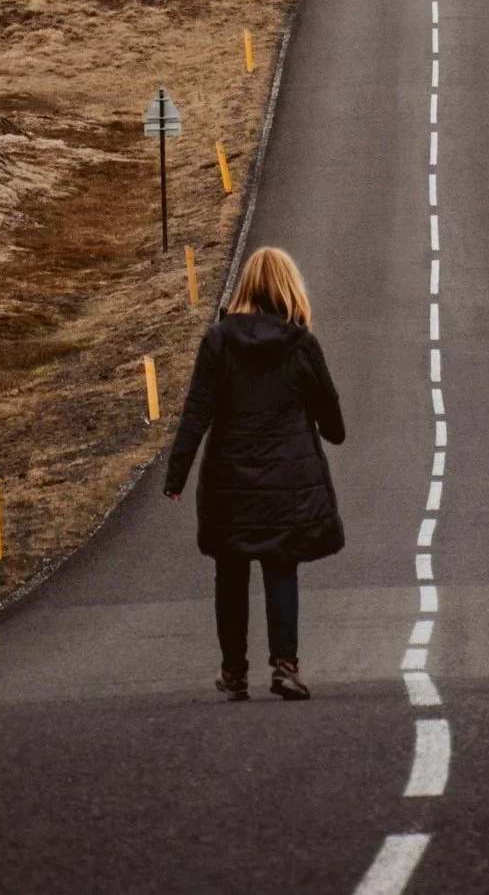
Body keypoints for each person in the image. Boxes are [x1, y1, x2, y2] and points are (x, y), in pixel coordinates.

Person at [164, 244, 345, 702]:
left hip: (230, 481)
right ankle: (286, 665)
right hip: (287, 486)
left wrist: (176, 476)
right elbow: (334, 426)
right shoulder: (301, 344)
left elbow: (196, 413)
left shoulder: (218, 340)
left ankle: (234, 671)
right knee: (281, 565)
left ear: (245, 287)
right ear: (289, 289)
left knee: (231, 570)